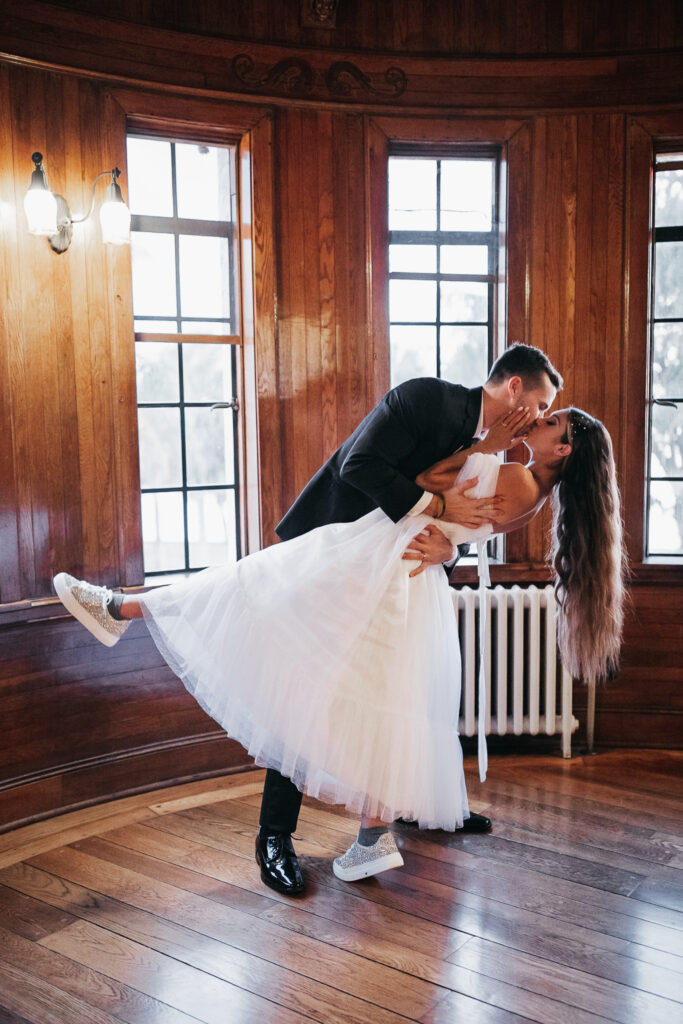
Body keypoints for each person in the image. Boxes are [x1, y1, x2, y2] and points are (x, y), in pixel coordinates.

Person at [54, 343, 569, 895]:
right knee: (300, 680)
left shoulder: (503, 461)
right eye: (542, 404)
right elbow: (361, 466)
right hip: (338, 546)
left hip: (395, 572)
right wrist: (443, 511)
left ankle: (403, 813)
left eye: (549, 417)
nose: (539, 418)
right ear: (513, 388)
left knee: (398, 698)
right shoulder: (425, 399)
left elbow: (473, 516)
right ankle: (275, 838)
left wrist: (450, 548)